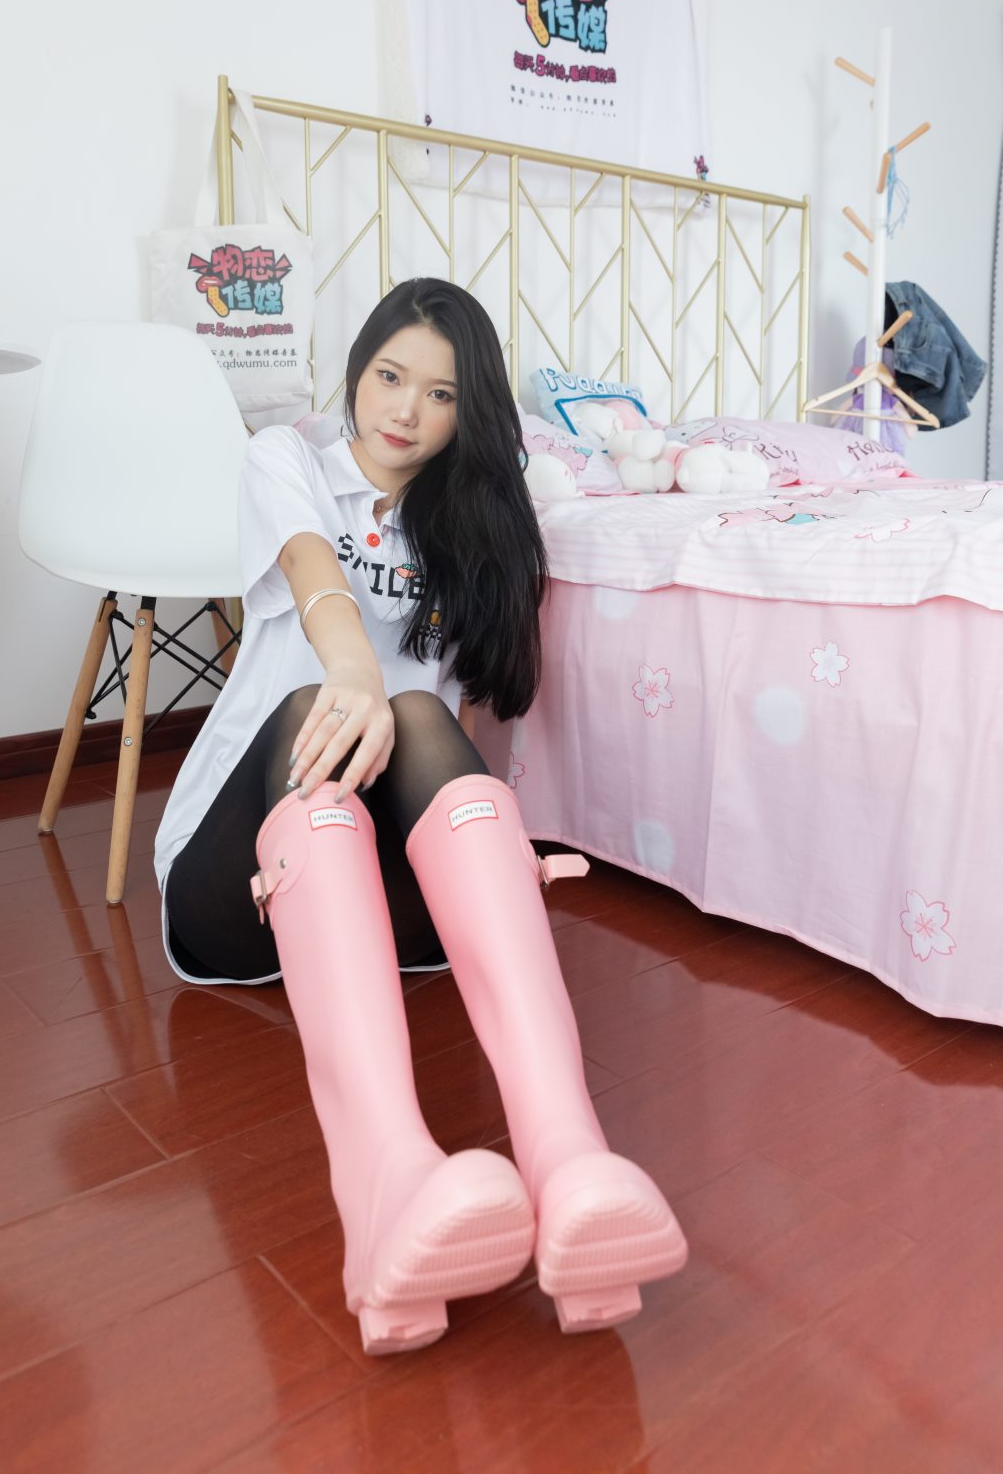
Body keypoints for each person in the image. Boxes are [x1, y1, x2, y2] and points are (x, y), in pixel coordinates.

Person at [155, 278, 686, 1354]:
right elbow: (310, 567)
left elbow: (462, 704)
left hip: (402, 907)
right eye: (390, 376)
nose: (405, 410)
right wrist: (352, 666)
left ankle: (571, 1162)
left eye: (441, 394)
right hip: (240, 881)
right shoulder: (287, 460)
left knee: (422, 719)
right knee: (329, 708)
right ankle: (386, 1183)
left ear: (468, 411)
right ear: (357, 369)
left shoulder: (476, 518)